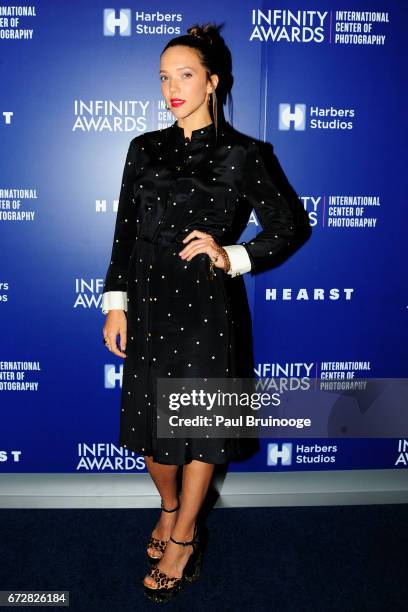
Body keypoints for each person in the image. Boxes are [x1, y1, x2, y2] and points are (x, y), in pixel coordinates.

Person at [101, 22, 311, 603]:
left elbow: (291, 227)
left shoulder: (245, 154)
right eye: (164, 77)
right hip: (145, 308)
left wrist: (233, 254)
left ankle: (185, 535)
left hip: (204, 312)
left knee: (197, 431)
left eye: (185, 75)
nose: (171, 87)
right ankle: (169, 508)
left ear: (213, 81)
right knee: (153, 438)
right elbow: (123, 233)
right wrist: (115, 303)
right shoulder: (142, 148)